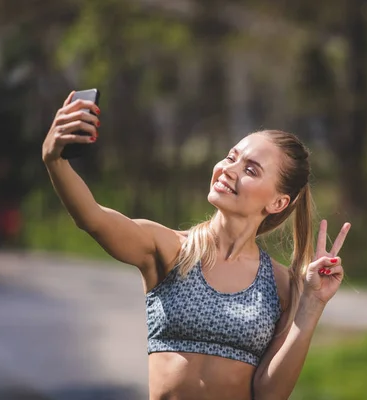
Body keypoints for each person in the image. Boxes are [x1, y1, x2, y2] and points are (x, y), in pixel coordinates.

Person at [42, 92, 351, 400]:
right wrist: (55, 160)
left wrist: (312, 304)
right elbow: (92, 219)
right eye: (231, 157)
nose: (229, 169)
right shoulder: (169, 250)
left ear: (278, 202)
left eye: (251, 170)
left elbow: (270, 395)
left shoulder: (282, 286)